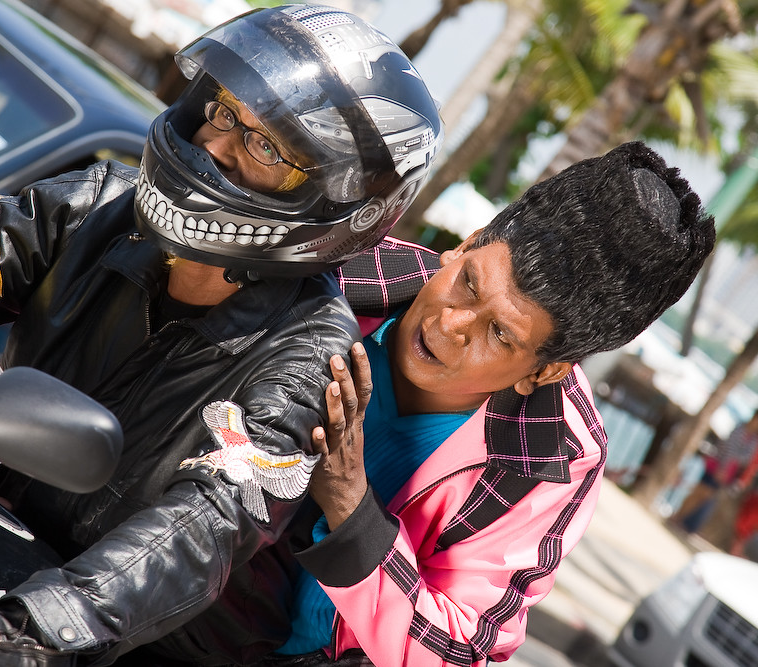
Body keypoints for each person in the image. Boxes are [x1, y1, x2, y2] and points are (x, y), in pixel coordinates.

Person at [0, 5, 443, 666]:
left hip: (105, 636)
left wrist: (30, 630)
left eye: (267, 147)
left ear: (334, 201)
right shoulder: (98, 207)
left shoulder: (308, 359)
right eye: (225, 112)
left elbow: (204, 525)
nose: (216, 145)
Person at [270, 141, 715, 666]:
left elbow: (459, 649)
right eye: (468, 284)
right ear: (465, 244)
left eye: (500, 335)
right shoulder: (338, 272)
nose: (451, 326)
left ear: (544, 371)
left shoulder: (551, 459)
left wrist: (348, 505)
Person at [672, 411, 758, 534]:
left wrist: (731, 464)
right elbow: (729, 449)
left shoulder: (754, 439)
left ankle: (681, 518)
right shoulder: (740, 429)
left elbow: (746, 457)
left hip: (727, 473)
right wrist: (723, 467)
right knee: (699, 492)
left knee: (704, 496)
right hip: (717, 466)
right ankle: (677, 516)